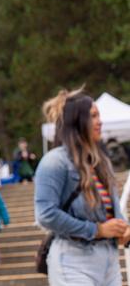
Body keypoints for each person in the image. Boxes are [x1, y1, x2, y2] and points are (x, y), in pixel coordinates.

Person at [35, 88, 130, 285]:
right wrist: (97, 230)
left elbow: (112, 208)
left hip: (109, 260)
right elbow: (45, 214)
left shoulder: (102, 161)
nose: (100, 121)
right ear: (78, 121)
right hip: (73, 260)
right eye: (93, 116)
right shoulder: (54, 161)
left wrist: (122, 228)